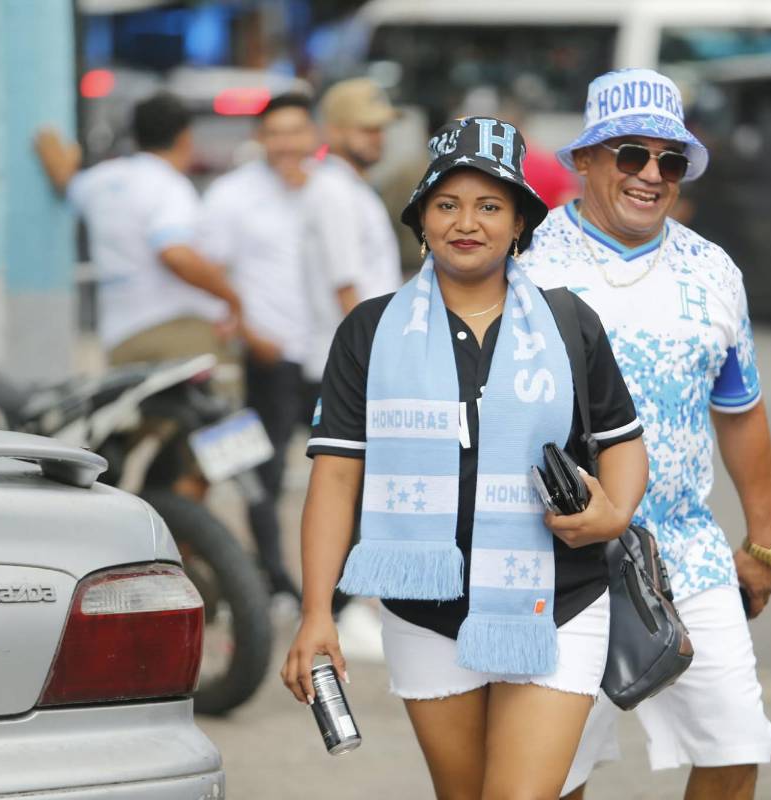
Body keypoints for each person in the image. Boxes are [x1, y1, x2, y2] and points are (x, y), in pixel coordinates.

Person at [280, 116, 649, 798]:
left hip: (556, 601)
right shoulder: (370, 330)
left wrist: (611, 515)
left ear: (519, 224)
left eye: (489, 206)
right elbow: (334, 478)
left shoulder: (571, 324)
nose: (466, 222)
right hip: (426, 610)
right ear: (422, 219)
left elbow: (623, 443)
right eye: (447, 204)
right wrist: (316, 614)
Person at [521, 69, 771, 800]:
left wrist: (763, 541)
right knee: (552, 771)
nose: (650, 175)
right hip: (559, 557)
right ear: (585, 159)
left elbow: (742, 410)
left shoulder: (714, 271)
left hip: (685, 554)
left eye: (669, 160)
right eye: (630, 154)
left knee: (735, 745)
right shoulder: (527, 263)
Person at [198, 92, 318, 603]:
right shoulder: (231, 195)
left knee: (344, 469)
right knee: (260, 473)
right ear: (260, 138)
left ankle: (336, 591)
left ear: (312, 135)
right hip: (267, 355)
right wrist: (246, 332)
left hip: (328, 354)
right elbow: (205, 272)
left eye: (296, 131)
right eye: (276, 132)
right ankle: (273, 579)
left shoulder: (330, 190)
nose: (287, 143)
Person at [302, 78, 405, 656]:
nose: (378, 137)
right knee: (353, 488)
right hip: (355, 360)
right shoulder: (334, 193)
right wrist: (374, 362)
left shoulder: (350, 189)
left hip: (363, 354)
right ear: (336, 131)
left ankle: (352, 605)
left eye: (381, 127)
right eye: (368, 128)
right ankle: (340, 609)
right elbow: (349, 289)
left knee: (370, 490)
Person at [33, 92, 242, 367]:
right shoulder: (169, 186)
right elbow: (175, 254)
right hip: (177, 332)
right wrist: (231, 299)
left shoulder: (102, 180)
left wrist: (48, 139)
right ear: (184, 138)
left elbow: (65, 181)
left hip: (120, 340)